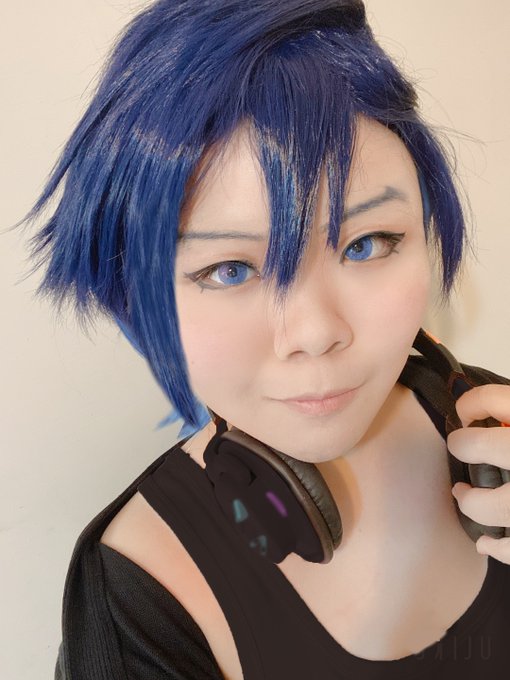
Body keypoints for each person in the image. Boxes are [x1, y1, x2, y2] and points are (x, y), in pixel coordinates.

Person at [23, 0, 510, 678]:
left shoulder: (495, 427)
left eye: (368, 243)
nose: (316, 333)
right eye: (230, 269)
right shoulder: (135, 594)